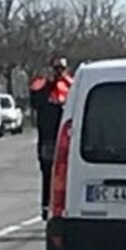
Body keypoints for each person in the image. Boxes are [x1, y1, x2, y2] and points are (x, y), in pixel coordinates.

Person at [30, 56, 73, 219]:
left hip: (68, 139)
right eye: (56, 68)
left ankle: (66, 205)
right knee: (48, 173)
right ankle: (46, 206)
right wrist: (47, 84)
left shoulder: (71, 85)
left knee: (68, 174)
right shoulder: (43, 87)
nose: (58, 72)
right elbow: (35, 99)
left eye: (61, 68)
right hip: (48, 138)